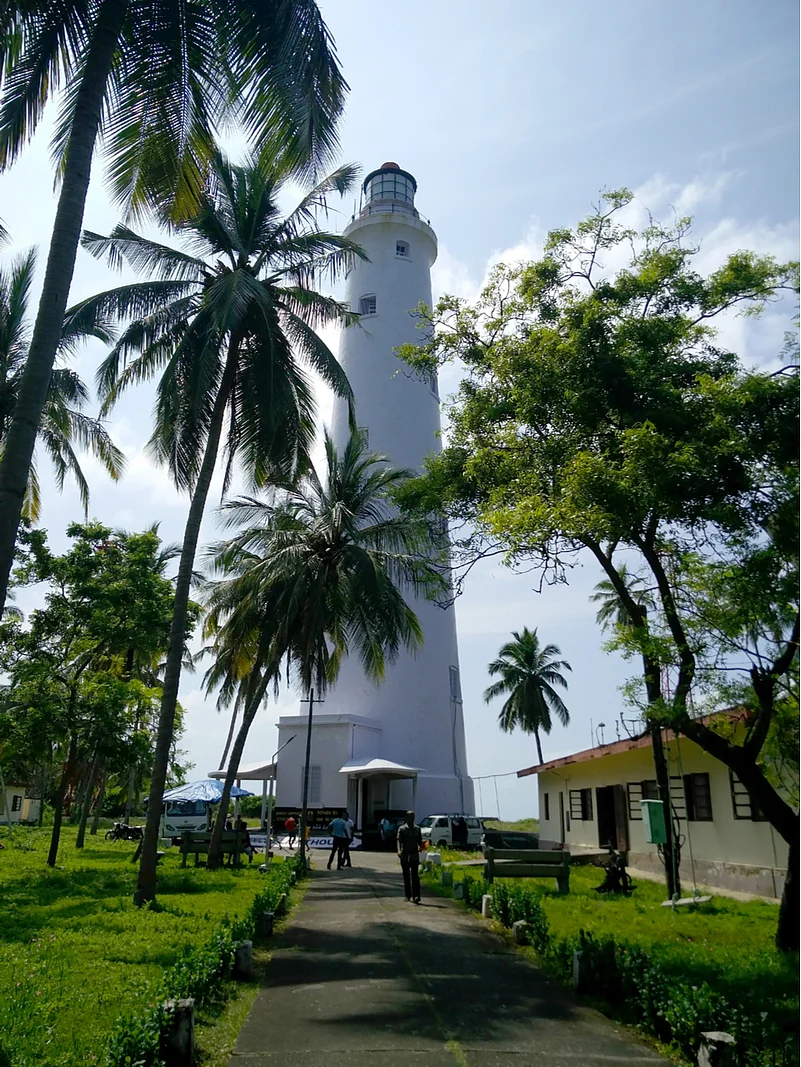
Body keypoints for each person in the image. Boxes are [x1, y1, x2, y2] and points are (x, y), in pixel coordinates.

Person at [397, 810, 423, 903]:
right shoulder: (402, 829)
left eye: (413, 817)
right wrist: (399, 851)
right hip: (405, 855)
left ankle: (416, 895)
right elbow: (399, 841)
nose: (412, 819)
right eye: (410, 817)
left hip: (414, 855)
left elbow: (419, 841)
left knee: (415, 876)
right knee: (406, 876)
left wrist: (423, 846)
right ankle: (407, 895)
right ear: (406, 818)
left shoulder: (417, 829)